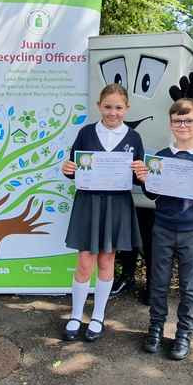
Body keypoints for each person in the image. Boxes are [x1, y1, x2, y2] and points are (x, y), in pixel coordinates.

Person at [135, 98, 193, 360]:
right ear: (171, 124)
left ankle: (184, 333)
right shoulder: (162, 156)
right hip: (162, 227)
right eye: (177, 120)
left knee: (188, 286)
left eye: (189, 120)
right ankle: (156, 328)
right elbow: (152, 195)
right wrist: (144, 180)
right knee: (158, 283)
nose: (183, 125)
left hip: (191, 230)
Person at [60, 83, 144, 342]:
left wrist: (142, 175)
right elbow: (74, 168)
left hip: (116, 205)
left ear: (127, 108)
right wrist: (67, 169)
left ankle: (97, 315)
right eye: (108, 107)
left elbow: (138, 177)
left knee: (107, 260)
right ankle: (75, 315)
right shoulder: (86, 132)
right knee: (85, 261)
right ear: (99, 106)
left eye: (119, 108)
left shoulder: (133, 138)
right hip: (89, 203)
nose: (113, 112)